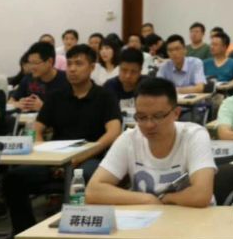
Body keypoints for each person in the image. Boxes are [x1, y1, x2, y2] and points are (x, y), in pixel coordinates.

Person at [5, 45, 122, 233]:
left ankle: (78, 234)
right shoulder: (56, 96)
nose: (72, 69)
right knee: (13, 178)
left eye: (79, 64)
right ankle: (26, 233)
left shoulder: (105, 96)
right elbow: (37, 128)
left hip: (91, 158)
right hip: (56, 161)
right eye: (69, 64)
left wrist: (80, 157)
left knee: (87, 177)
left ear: (92, 67)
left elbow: (113, 131)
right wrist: (47, 156)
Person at [87, 77, 215, 206]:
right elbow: (92, 191)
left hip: (193, 216)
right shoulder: (129, 138)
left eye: (158, 116)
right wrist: (147, 200)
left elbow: (201, 194)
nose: (149, 125)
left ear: (176, 113)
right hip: (147, 215)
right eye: (141, 117)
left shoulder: (194, 135)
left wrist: (166, 199)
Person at [9, 41, 70, 112]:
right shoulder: (28, 78)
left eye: (35, 63)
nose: (32, 67)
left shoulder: (67, 79)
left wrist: (43, 107)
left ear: (50, 61)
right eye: (30, 63)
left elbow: (71, 110)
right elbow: (11, 102)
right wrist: (19, 104)